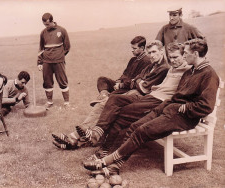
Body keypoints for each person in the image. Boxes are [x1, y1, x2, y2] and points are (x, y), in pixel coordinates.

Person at [82, 38, 220, 176]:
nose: (184, 56)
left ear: (195, 54)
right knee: (135, 126)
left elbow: (206, 106)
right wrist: (168, 105)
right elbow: (177, 95)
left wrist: (184, 108)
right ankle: (114, 167)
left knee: (142, 130)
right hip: (169, 108)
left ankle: (106, 161)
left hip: (183, 117)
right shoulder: (191, 71)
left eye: (186, 54)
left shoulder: (208, 74)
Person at [52, 40, 170, 150]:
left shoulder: (163, 68)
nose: (151, 55)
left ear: (161, 51)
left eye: (154, 52)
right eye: (149, 53)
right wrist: (137, 82)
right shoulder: (151, 66)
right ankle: (75, 138)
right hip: (134, 93)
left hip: (144, 100)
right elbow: (136, 81)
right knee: (103, 104)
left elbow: (143, 88)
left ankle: (77, 138)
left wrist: (137, 82)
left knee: (110, 104)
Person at [91, 36, 151, 105]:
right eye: (132, 48)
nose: (132, 50)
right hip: (122, 83)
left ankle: (105, 99)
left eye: (134, 48)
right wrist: (119, 81)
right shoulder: (133, 59)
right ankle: (104, 95)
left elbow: (135, 81)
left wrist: (120, 85)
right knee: (102, 79)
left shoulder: (146, 61)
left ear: (142, 48)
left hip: (128, 88)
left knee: (113, 95)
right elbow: (124, 73)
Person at [37, 12, 71, 109]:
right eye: (44, 24)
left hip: (59, 61)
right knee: (47, 82)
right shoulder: (43, 33)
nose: (46, 26)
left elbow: (67, 46)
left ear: (52, 21)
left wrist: (60, 56)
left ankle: (66, 103)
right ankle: (49, 102)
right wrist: (39, 62)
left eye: (47, 24)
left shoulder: (62, 30)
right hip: (46, 62)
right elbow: (41, 48)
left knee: (62, 81)